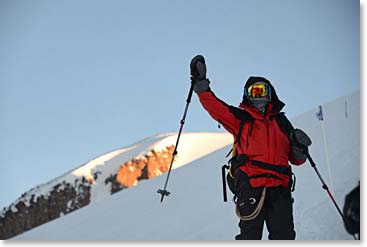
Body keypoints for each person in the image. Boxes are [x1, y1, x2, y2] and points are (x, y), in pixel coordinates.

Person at [189, 55, 310, 240]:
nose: (258, 94)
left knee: (284, 236)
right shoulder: (242, 119)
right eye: (254, 91)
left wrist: (300, 148)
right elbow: (216, 108)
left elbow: (296, 160)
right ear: (247, 95)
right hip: (251, 185)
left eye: (262, 90)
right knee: (250, 237)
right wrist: (200, 83)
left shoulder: (282, 123)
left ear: (270, 93)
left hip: (280, 188)